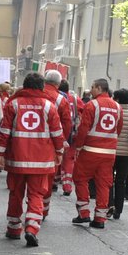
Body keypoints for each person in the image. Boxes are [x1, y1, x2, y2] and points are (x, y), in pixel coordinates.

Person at [0, 72, 64, 248]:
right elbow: (57, 133)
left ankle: (13, 227)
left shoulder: (13, 104)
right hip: (42, 161)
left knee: (15, 193)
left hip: (17, 159)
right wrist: (60, 152)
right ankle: (32, 228)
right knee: (37, 194)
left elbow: (4, 132)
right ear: (42, 87)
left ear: (24, 86)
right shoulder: (49, 106)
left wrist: (0, 154)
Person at [71, 78, 122, 229]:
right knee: (104, 184)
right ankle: (100, 218)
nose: (91, 90)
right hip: (109, 153)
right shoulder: (117, 107)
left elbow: (83, 128)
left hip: (90, 150)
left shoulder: (92, 105)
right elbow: (118, 130)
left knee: (80, 178)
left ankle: (84, 213)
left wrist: (78, 146)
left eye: (93, 87)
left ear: (99, 88)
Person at [43, 69, 77, 198]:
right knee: (49, 172)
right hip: (53, 141)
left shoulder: (36, 93)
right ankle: (41, 208)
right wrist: (63, 140)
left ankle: (31, 206)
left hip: (29, 140)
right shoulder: (62, 100)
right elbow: (67, 123)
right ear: (58, 83)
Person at [108, 89, 128, 221]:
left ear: (117, 99)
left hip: (112, 150)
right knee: (121, 181)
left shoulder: (114, 111)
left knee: (108, 180)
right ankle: (118, 210)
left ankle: (109, 205)